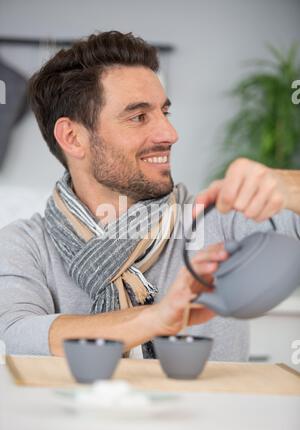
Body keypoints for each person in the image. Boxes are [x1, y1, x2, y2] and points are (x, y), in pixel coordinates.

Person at [0, 31, 299, 361]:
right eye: (139, 116)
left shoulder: (218, 220)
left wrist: (289, 187)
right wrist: (157, 318)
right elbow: (17, 335)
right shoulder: (23, 246)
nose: (170, 134)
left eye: (164, 113)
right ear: (72, 137)